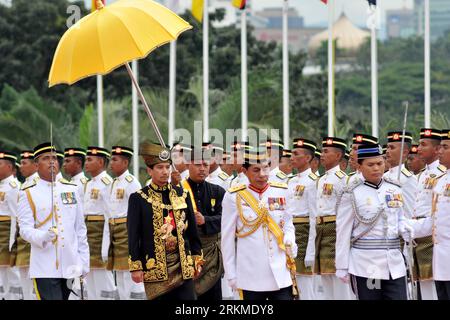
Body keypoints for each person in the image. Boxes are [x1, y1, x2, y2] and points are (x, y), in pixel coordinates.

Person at [127, 142, 204, 300]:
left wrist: (197, 257)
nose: (165, 172)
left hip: (183, 265)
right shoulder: (138, 198)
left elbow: (192, 231)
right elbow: (134, 235)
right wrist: (135, 266)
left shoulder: (182, 194)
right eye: (159, 167)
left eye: (167, 167)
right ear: (149, 170)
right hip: (154, 267)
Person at [335, 144, 411, 300]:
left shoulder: (395, 189)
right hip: (368, 265)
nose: (376, 168)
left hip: (394, 263)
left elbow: (402, 221)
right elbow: (343, 231)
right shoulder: (351, 193)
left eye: (379, 163)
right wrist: (341, 265)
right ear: (360, 166)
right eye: (370, 165)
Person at [221, 147, 297, 300]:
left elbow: (288, 222)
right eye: (256, 170)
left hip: (280, 273)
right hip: (250, 276)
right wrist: (231, 274)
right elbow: (227, 239)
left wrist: (290, 239)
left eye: (265, 168)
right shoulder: (234, 196)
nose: (262, 175)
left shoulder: (282, 191)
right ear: (244, 171)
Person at [17, 142, 89, 300]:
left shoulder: (71, 189)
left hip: (70, 262)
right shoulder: (28, 193)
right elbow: (24, 229)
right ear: (36, 164)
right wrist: (42, 236)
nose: (51, 162)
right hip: (44, 265)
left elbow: (79, 229)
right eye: (46, 158)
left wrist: (84, 261)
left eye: (55, 158)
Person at [308, 137, 354, 300]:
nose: (322, 154)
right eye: (322, 150)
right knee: (325, 277)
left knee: (338, 278)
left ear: (338, 155)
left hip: (335, 230)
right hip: (320, 229)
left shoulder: (344, 179)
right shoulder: (319, 180)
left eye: (326, 151)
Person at [408, 129, 450, 300]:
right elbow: (434, 221)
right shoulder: (440, 181)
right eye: (440, 147)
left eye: (445, 147)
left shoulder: (439, 177)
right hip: (438, 253)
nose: (440, 151)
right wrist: (403, 226)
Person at [182, 146, 225, 300]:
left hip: (211, 255)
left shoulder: (218, 191)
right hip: (185, 254)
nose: (202, 169)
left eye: (205, 165)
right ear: (188, 165)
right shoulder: (178, 191)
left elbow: (226, 219)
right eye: (198, 165)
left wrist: (205, 220)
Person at [108, 146, 146, 300]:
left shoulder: (132, 183)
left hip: (127, 230)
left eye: (115, 160)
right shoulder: (114, 183)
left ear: (125, 162)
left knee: (131, 277)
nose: (111, 163)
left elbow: (140, 211)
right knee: (120, 274)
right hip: (115, 231)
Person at [83, 146, 117, 300]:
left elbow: (110, 215)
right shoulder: (87, 184)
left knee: (103, 277)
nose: (86, 163)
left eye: (90, 159)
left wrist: (107, 244)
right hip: (87, 233)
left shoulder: (107, 183)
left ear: (101, 162)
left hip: (101, 232)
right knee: (89, 276)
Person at [288, 138, 318, 300]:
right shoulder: (290, 181)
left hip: (303, 233)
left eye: (296, 154)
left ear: (307, 158)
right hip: (289, 234)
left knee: (304, 284)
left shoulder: (313, 182)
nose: (291, 157)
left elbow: (314, 218)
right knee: (289, 283)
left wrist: (310, 252)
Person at [15, 150, 39, 300]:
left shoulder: (38, 183)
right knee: (23, 273)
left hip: (34, 235)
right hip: (22, 234)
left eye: (24, 163)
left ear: (35, 165)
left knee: (34, 275)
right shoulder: (24, 184)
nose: (21, 166)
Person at [383, 131, 418, 219]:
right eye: (387, 147)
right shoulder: (383, 177)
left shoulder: (408, 179)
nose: (387, 151)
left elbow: (410, 211)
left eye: (392, 148)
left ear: (404, 152)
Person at [0, 150, 20, 300]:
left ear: (9, 167)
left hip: (8, 233)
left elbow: (15, 216)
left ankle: (16, 297)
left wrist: (13, 241)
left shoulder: (14, 187)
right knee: (2, 269)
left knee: (11, 270)